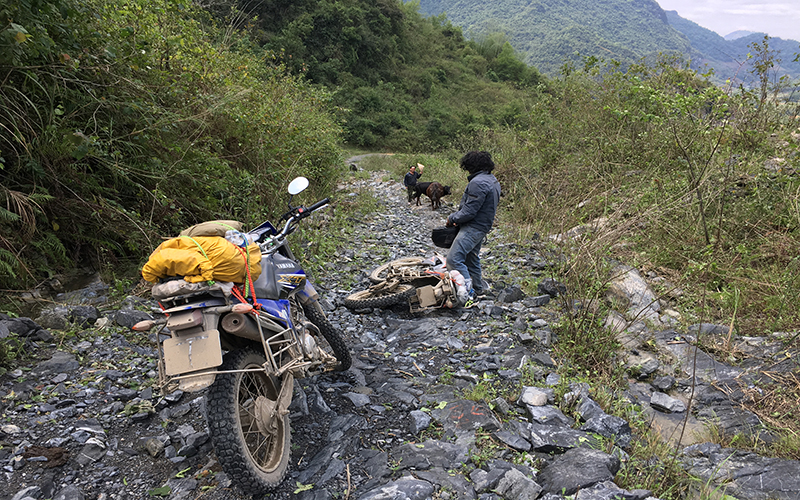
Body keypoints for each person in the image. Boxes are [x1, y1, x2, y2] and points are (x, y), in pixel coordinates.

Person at [445, 151, 501, 305]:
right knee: (471, 258)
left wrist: (452, 218)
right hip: (483, 226)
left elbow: (469, 212)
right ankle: (478, 288)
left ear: (472, 166)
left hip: (473, 227)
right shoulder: (492, 180)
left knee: (454, 259)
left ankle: (468, 295)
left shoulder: (478, 183)